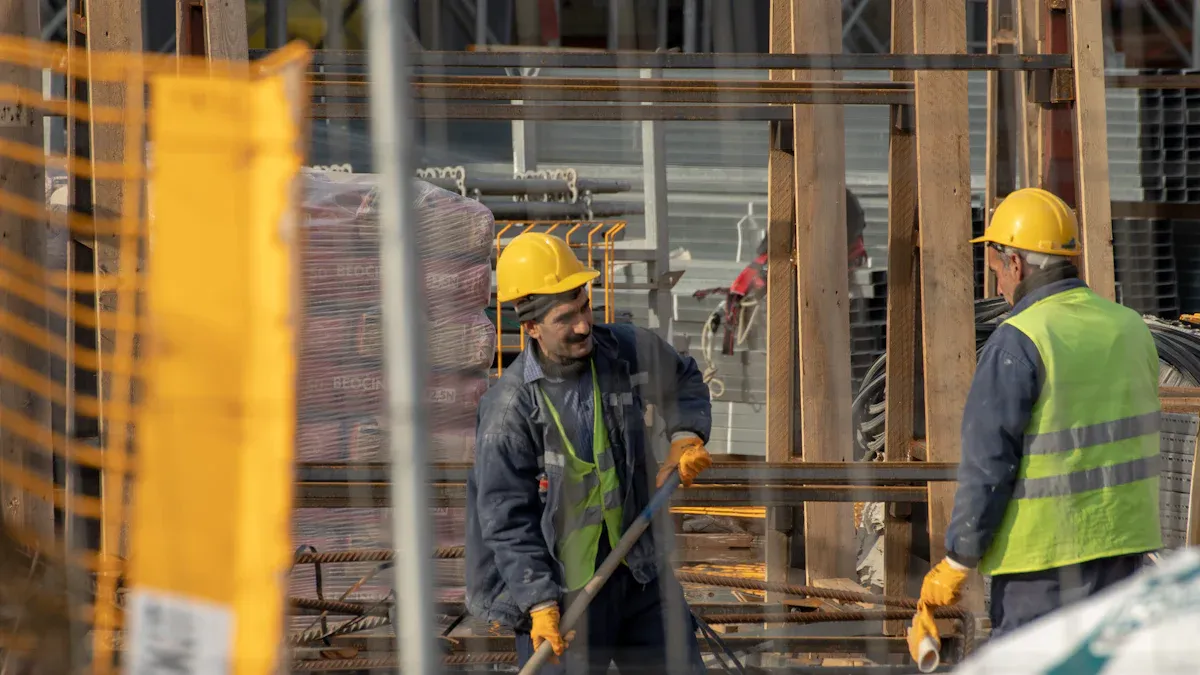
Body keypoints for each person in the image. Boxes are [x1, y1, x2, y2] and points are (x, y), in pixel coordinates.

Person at [913, 188, 1163, 640]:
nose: (999, 287)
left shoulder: (1019, 340)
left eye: (997, 271)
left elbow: (988, 462)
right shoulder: (1132, 329)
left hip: (1041, 571)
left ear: (1016, 264)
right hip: (1125, 560)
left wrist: (958, 560)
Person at [465, 231, 714, 675]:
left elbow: (684, 380)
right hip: (560, 593)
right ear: (532, 327)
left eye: (584, 306)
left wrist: (685, 435)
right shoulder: (509, 410)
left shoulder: (624, 349)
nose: (583, 325)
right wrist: (539, 602)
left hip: (638, 570)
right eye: (566, 318)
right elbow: (504, 518)